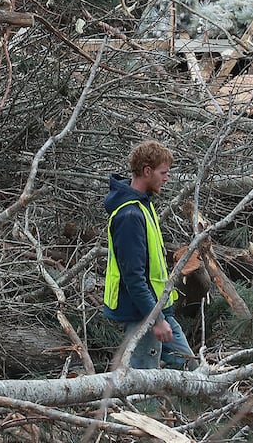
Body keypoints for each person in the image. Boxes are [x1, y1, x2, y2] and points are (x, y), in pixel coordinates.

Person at [103, 140, 197, 370]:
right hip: (142, 315)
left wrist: (160, 316)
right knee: (142, 384)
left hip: (155, 310)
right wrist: (155, 319)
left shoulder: (143, 206)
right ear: (147, 171)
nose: (167, 178)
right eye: (163, 172)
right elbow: (133, 277)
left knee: (192, 370)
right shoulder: (130, 216)